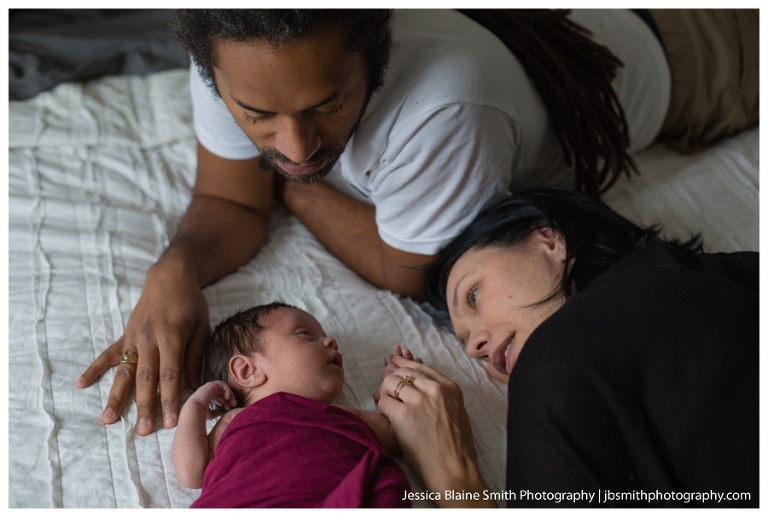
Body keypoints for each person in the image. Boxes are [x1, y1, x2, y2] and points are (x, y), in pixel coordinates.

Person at [76, 9, 758, 436]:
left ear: (373, 57)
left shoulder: (444, 104)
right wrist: (174, 270)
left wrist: (284, 188)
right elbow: (230, 202)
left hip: (694, 42)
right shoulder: (230, 49)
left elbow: (399, 264)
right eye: (257, 115)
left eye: (328, 102)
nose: (296, 147)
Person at [375, 188, 758, 507]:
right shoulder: (728, 273)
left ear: (548, 238)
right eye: (464, 343)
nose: (474, 346)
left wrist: (449, 469)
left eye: (473, 295)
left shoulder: (556, 358)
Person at [172, 301, 412, 508]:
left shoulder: (342, 416)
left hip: (341, 498)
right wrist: (196, 403)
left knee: (384, 483)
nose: (331, 342)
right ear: (247, 370)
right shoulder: (235, 419)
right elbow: (192, 472)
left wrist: (397, 383)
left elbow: (401, 432)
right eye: (305, 334)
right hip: (247, 502)